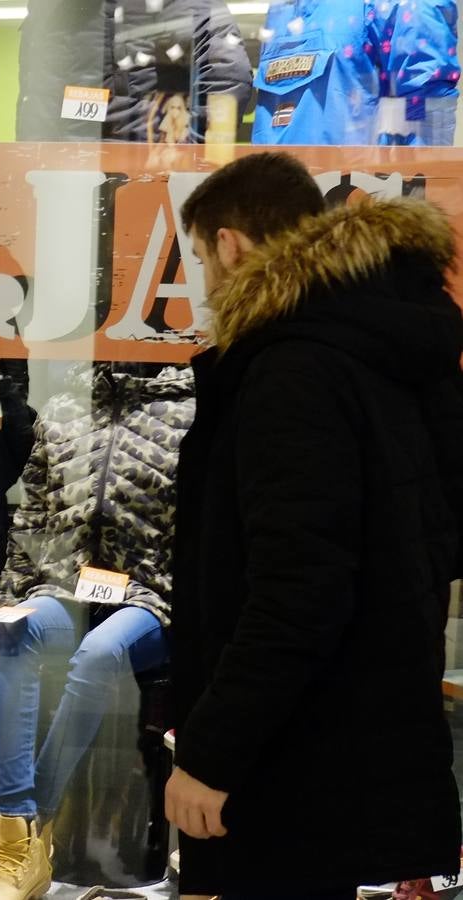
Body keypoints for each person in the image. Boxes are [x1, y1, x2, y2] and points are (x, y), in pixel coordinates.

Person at [169, 151, 463, 895]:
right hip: (358, 727)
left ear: (230, 245)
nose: (205, 281)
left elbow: (297, 590)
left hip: (291, 751)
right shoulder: (385, 345)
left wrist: (211, 750)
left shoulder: (290, 370)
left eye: (201, 258)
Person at [0, 361, 194, 900]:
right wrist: (10, 597)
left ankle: (33, 829)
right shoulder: (66, 408)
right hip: (67, 586)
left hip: (149, 593)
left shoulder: (189, 413)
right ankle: (14, 822)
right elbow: (32, 516)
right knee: (18, 633)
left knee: (99, 654)